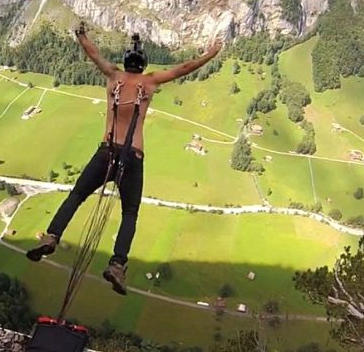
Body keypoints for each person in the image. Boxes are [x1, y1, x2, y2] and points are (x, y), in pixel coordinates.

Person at [26, 23, 223, 295]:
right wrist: (211, 53)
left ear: (125, 62)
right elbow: (184, 68)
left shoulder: (113, 76)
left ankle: (51, 236)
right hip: (133, 156)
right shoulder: (149, 82)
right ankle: (117, 264)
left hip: (106, 152)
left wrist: (81, 34)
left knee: (77, 195)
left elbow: (93, 53)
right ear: (143, 66)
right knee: (129, 212)